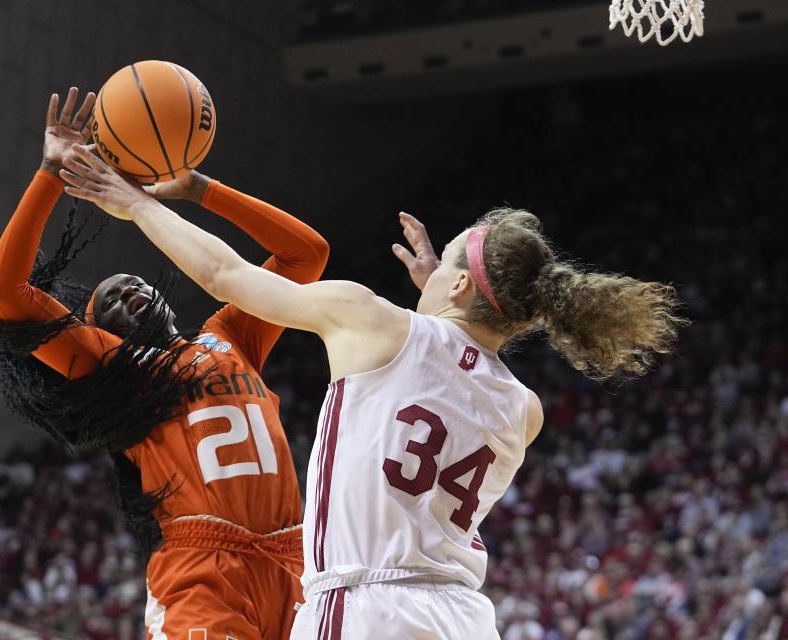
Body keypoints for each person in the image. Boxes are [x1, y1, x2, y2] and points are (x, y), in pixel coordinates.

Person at [60, 143, 686, 639]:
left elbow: (225, 274)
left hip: (365, 605)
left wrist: (135, 204)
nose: (430, 269)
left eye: (444, 265)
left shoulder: (371, 320)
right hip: (463, 617)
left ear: (463, 289)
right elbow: (456, 363)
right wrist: (441, 292)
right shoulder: (525, 411)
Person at [0, 88, 329, 639]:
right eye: (112, 300)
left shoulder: (231, 334)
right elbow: (5, 292)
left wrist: (199, 189)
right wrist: (50, 172)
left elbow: (305, 255)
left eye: (135, 283)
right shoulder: (114, 369)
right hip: (202, 570)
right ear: (98, 333)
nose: (131, 292)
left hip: (296, 565)